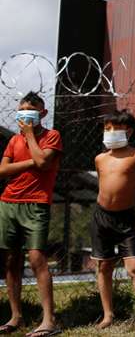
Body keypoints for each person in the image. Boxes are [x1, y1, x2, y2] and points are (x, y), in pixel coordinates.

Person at [0, 92, 62, 337]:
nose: (26, 114)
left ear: (42, 113)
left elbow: (45, 163)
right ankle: (16, 316)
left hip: (36, 204)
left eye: (31, 109)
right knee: (10, 261)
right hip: (8, 203)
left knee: (37, 259)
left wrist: (29, 136)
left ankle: (49, 320)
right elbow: (2, 170)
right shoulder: (13, 141)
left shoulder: (52, 136)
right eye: (22, 109)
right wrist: (30, 163)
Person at [92, 110, 135, 335]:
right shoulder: (100, 159)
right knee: (104, 265)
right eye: (106, 129)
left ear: (127, 131)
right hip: (101, 217)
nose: (110, 133)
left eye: (115, 129)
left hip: (126, 217)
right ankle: (108, 314)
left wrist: (130, 201)